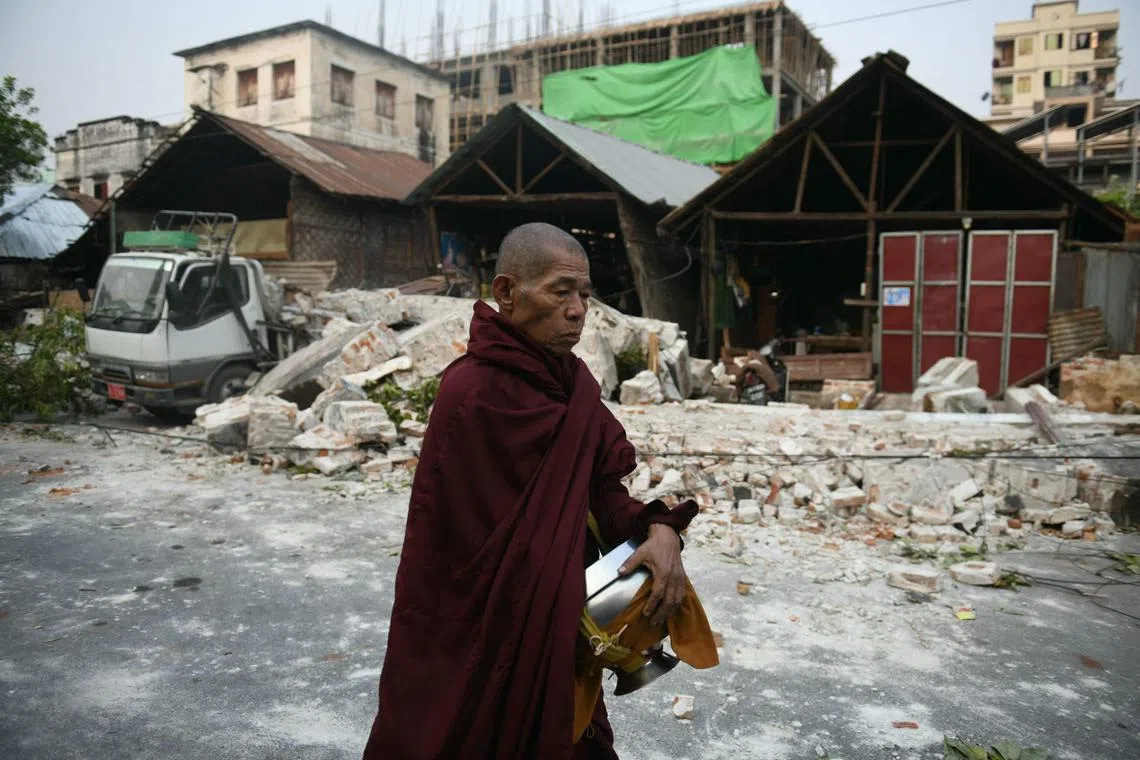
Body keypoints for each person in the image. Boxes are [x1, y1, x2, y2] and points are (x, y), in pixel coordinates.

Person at [362, 223, 699, 759]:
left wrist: (659, 528)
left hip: (552, 633)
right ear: (506, 292)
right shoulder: (469, 395)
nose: (577, 310)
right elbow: (446, 558)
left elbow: (601, 495)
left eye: (584, 295)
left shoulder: (576, 387)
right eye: (560, 291)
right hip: (471, 636)